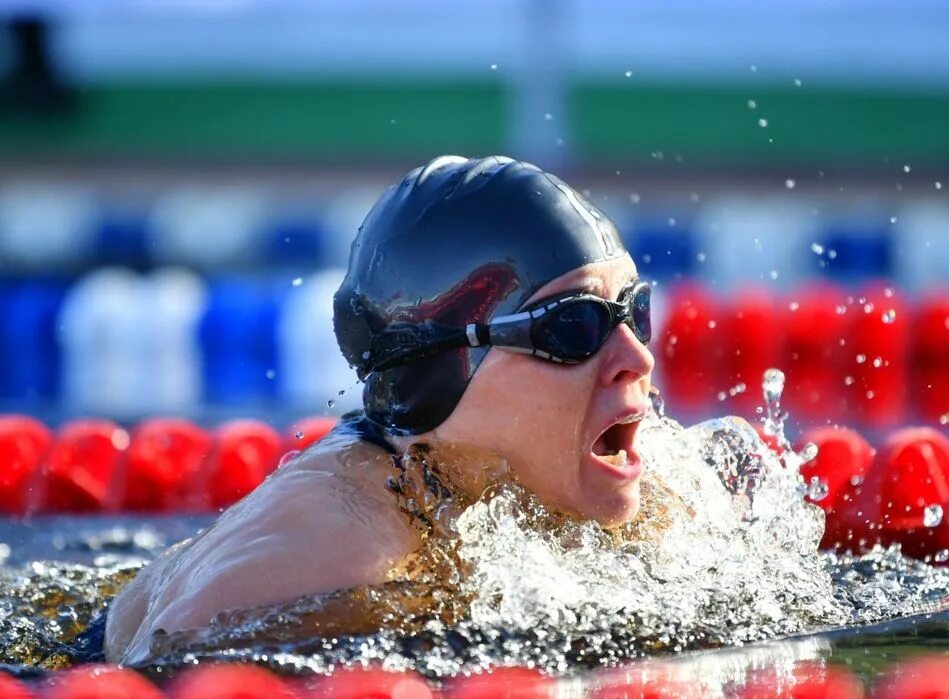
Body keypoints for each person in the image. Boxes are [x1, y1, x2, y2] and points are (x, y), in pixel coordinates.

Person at [104, 156, 657, 664]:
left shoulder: (492, 484)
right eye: (574, 327)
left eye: (637, 311)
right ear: (445, 365)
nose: (635, 356)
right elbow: (151, 693)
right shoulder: (337, 553)